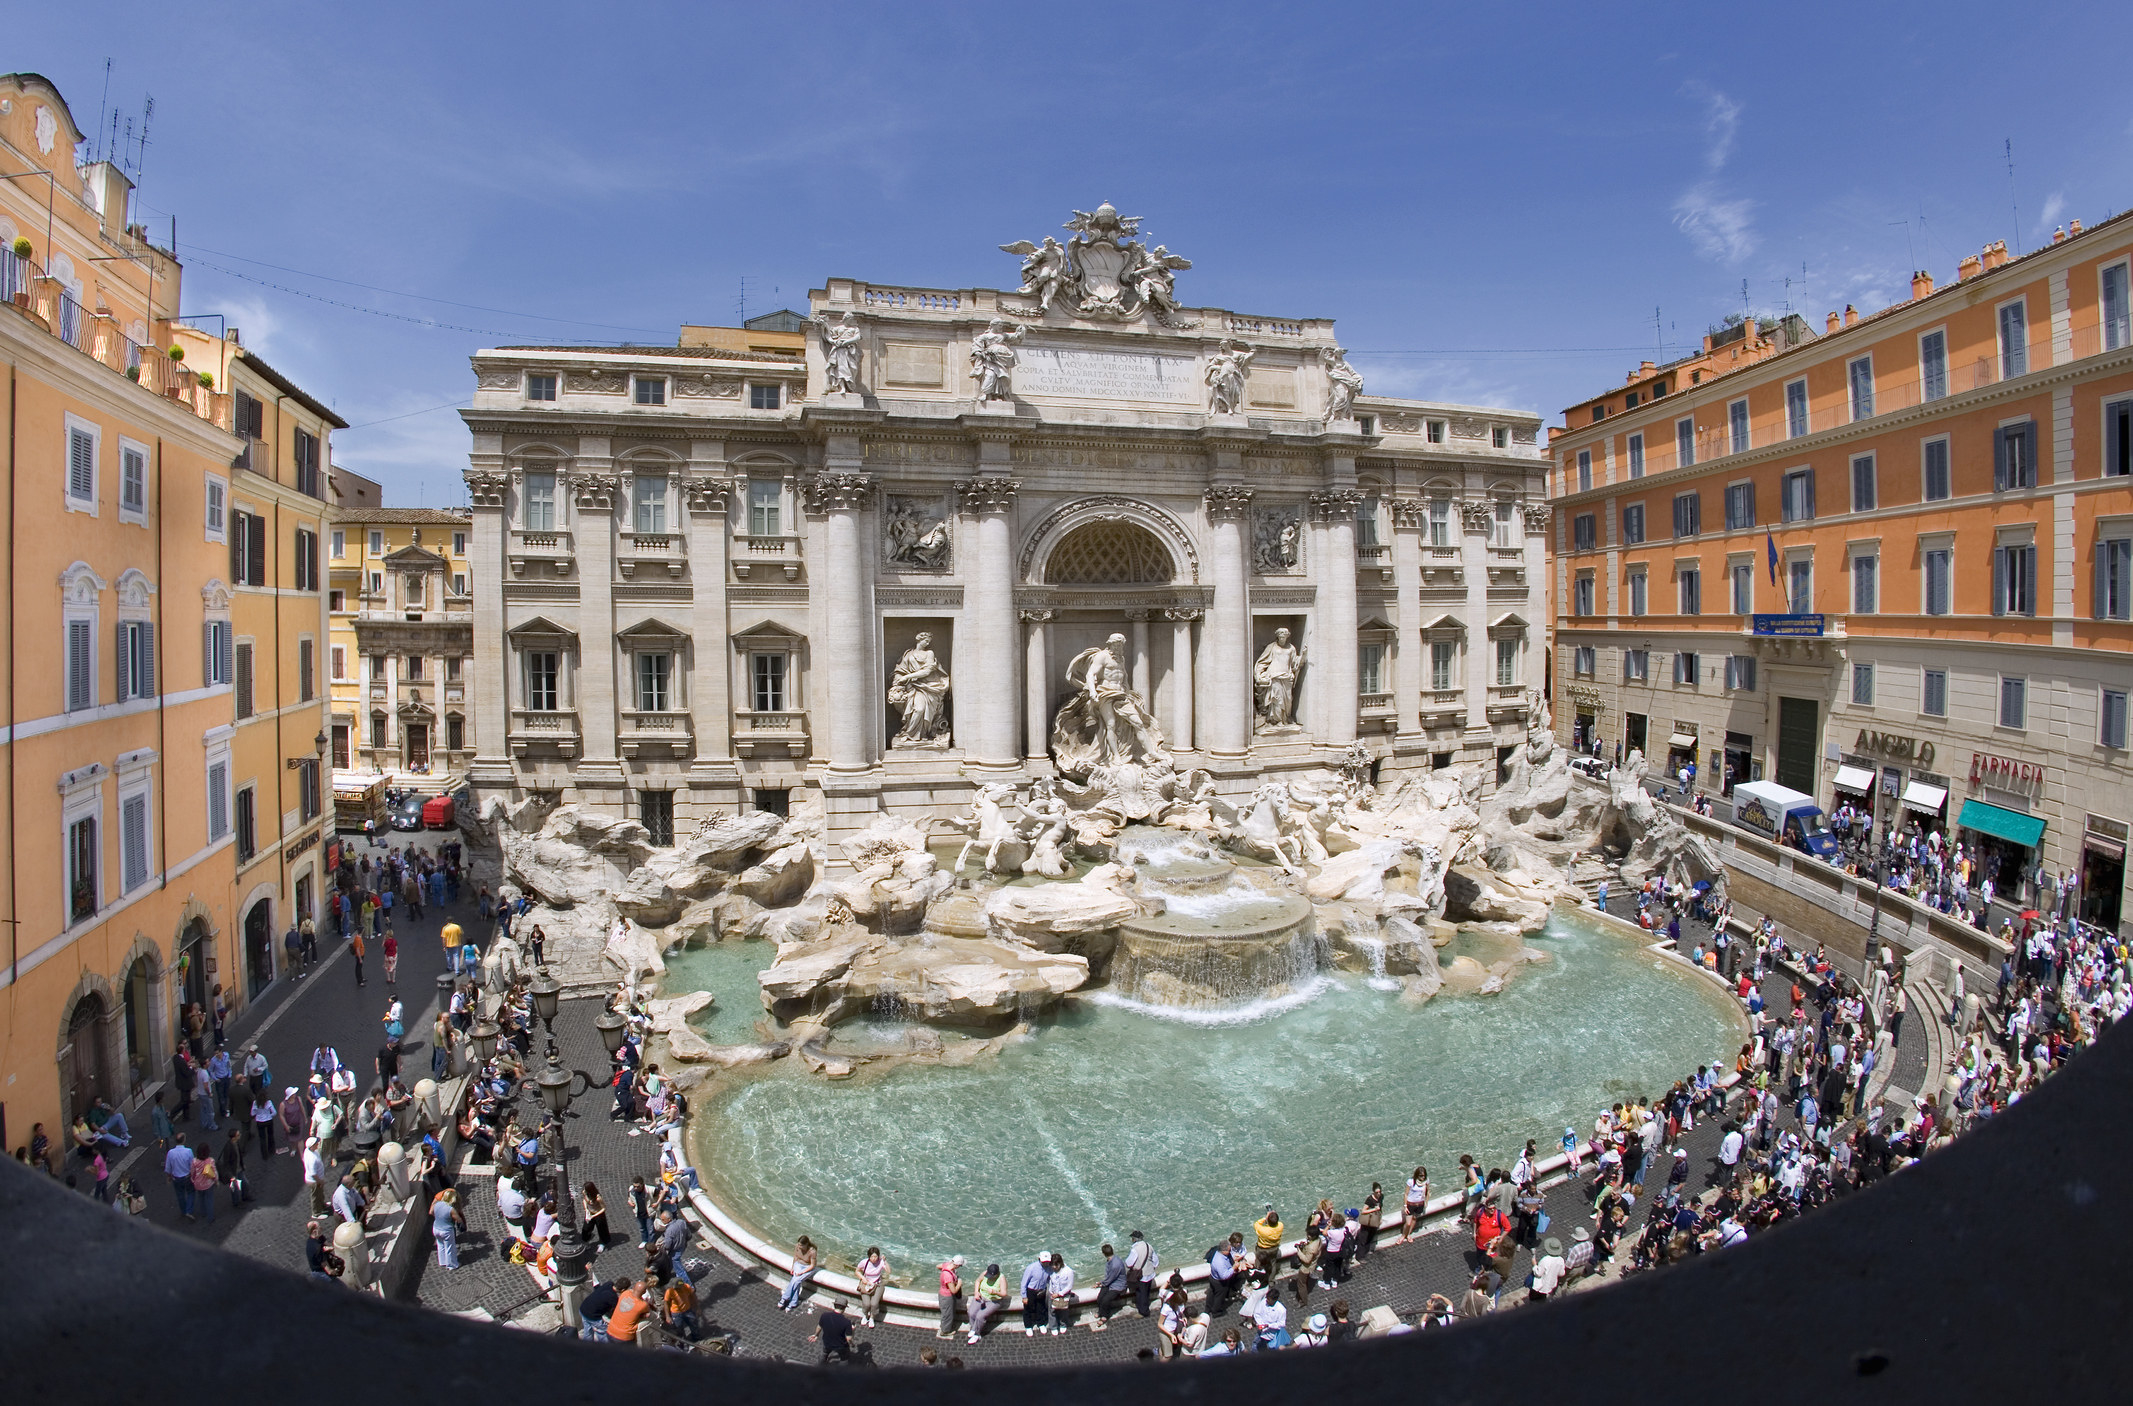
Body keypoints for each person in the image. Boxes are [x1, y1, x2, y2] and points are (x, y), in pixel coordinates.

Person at [966, 1264, 1008, 1344]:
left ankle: (977, 1334)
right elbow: (978, 1281)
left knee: (980, 1316)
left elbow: (1004, 1293)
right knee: (971, 1312)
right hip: (981, 1296)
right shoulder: (985, 1273)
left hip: (993, 1300)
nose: (988, 1277)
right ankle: (974, 1328)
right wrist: (976, 1292)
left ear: (995, 1275)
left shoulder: (1001, 1278)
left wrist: (995, 1292)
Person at [778, 1235, 819, 1311]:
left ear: (806, 1244)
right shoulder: (797, 1246)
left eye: (801, 1245)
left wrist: (802, 1272)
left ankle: (785, 1298)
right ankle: (793, 1302)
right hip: (798, 1265)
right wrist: (793, 1267)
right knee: (796, 1281)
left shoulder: (812, 1251)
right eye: (799, 1244)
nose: (799, 1246)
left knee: (796, 1280)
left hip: (808, 1268)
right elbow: (795, 1257)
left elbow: (813, 1265)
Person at [607, 1279, 653, 1346]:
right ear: (644, 1292)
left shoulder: (625, 1293)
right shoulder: (643, 1305)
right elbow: (648, 1313)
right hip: (624, 1336)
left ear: (633, 1287)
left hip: (610, 1330)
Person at [1124, 1230, 1158, 1317]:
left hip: (1140, 1276)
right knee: (1146, 1292)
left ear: (1134, 1239)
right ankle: (1143, 1306)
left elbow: (1129, 1263)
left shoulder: (1135, 1249)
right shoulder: (1149, 1246)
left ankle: (1143, 1312)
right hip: (1150, 1274)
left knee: (1140, 1293)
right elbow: (1156, 1261)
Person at [810, 1299, 856, 1364]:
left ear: (834, 1305)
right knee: (844, 1359)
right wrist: (852, 1334)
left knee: (824, 1354)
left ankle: (820, 1367)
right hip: (841, 1345)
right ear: (844, 1308)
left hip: (827, 1342)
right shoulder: (846, 1322)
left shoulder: (824, 1315)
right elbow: (849, 1339)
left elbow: (819, 1326)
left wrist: (816, 1335)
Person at [1093, 1242, 1127, 1329]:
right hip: (1111, 1283)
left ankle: (1105, 1316)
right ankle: (1101, 1311)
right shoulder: (1110, 1260)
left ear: (1104, 1253)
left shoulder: (1115, 1264)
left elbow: (1111, 1277)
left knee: (1105, 1300)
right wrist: (1101, 1283)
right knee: (1100, 1297)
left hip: (1118, 1286)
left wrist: (1101, 1283)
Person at [855, 1246, 889, 1329]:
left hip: (877, 1285)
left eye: (875, 1256)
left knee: (874, 1303)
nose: (874, 1259)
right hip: (866, 1285)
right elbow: (857, 1271)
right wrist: (863, 1278)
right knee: (866, 1304)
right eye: (872, 1256)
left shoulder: (880, 1262)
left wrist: (885, 1261)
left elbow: (888, 1271)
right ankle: (865, 1315)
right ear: (869, 1256)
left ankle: (872, 1318)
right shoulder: (864, 1262)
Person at [1020, 1253, 1053, 1336]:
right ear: (1039, 1259)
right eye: (1044, 1261)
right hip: (1031, 1290)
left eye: (1047, 1261)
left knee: (1041, 1307)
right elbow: (1024, 1282)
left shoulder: (1049, 1268)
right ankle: (1028, 1326)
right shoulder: (1031, 1268)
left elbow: (1049, 1279)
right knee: (1028, 1309)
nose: (1045, 1263)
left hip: (1042, 1290)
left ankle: (1041, 1323)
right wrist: (1024, 1296)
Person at [431, 1188, 463, 1268]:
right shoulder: (450, 1209)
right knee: (450, 1247)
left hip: (436, 1228)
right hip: (446, 1231)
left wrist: (439, 1217)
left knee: (440, 1245)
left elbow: (431, 1212)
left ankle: (442, 1261)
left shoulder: (437, 1204)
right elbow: (458, 1219)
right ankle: (452, 1265)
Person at [936, 1254, 966, 1339]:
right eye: (959, 1266)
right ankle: (945, 1331)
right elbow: (953, 1290)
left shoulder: (946, 1265)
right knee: (948, 1314)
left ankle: (945, 1326)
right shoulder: (948, 1276)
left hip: (943, 1292)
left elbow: (938, 1266)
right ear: (956, 1265)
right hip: (947, 1297)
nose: (959, 1268)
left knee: (947, 1312)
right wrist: (959, 1283)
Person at [165, 1140, 196, 1220]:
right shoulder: (188, 1151)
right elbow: (192, 1165)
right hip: (187, 1177)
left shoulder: (171, 1152)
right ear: (184, 1140)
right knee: (190, 1192)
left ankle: (184, 1211)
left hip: (176, 1178)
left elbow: (168, 1167)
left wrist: (169, 1176)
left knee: (180, 1195)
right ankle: (189, 1210)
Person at [1047, 1251, 1076, 1334]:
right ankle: (1053, 1326)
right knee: (1052, 1311)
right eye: (1052, 1265)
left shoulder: (1068, 1271)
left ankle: (1063, 1324)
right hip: (1052, 1293)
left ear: (1060, 1263)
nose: (1054, 1267)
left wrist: (1059, 1294)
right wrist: (1052, 1293)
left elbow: (1069, 1286)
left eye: (1056, 1265)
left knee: (1063, 1311)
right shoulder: (1051, 1270)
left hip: (1063, 1294)